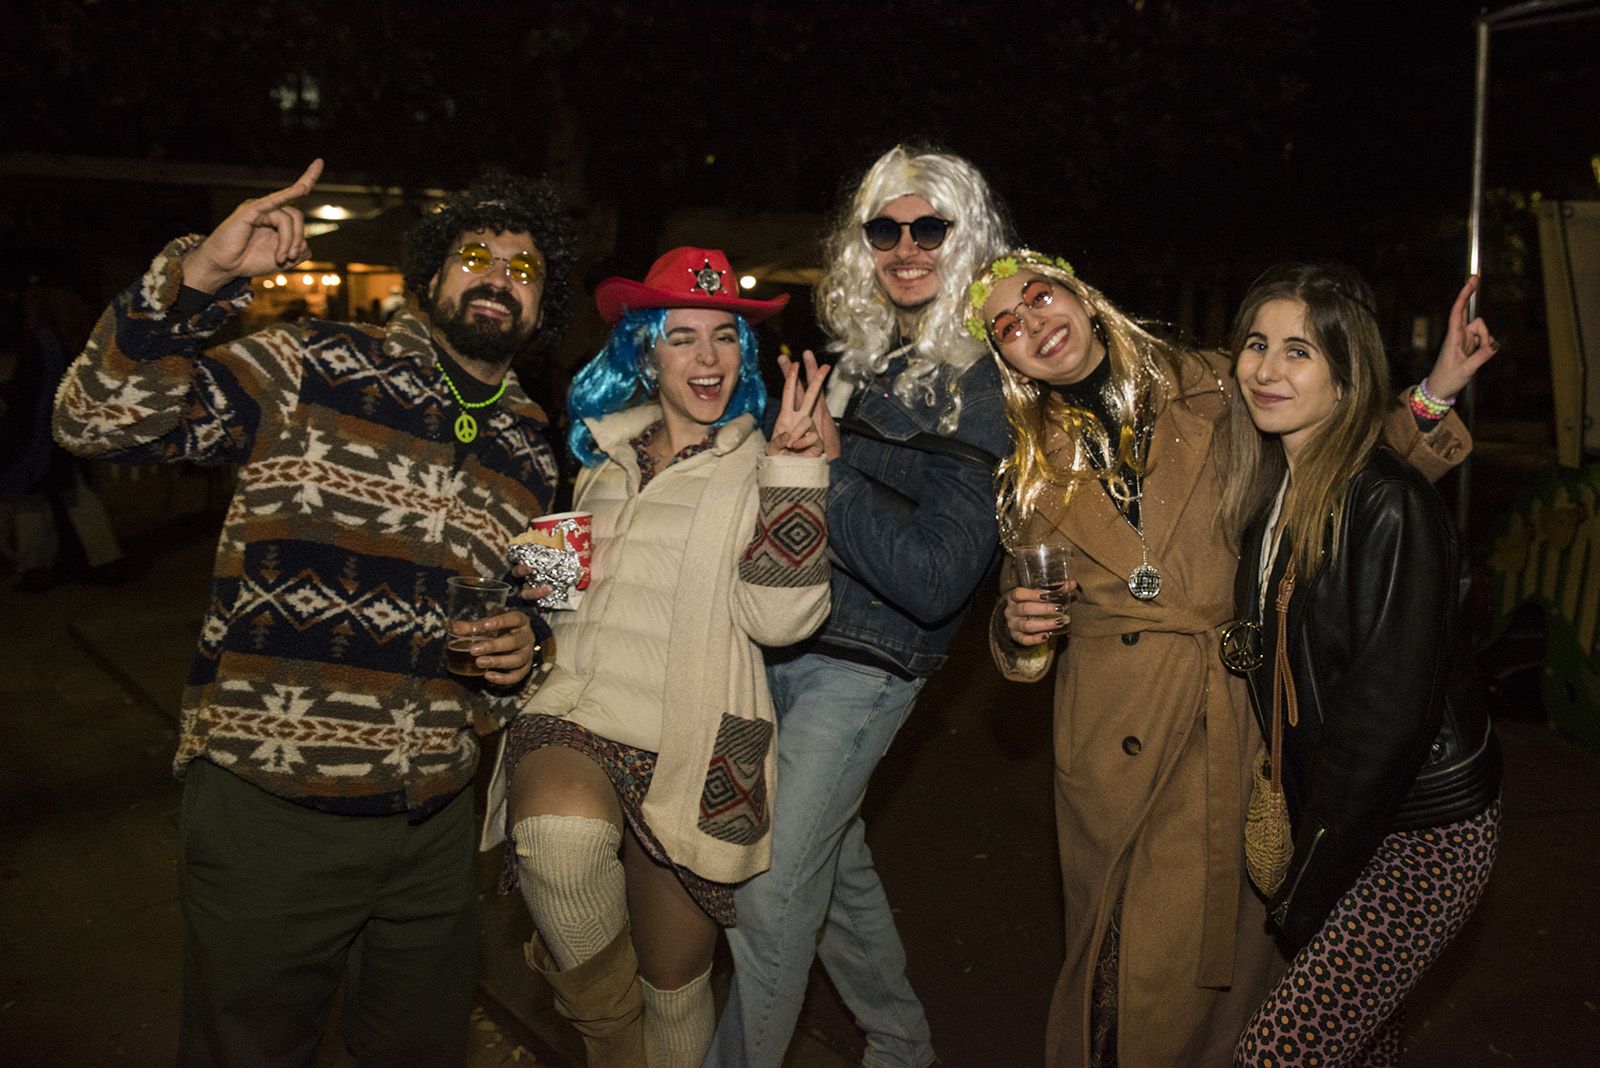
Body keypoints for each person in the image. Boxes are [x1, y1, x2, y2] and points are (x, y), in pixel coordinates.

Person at [52, 159, 576, 1066]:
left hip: (435, 833)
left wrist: (525, 648)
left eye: (524, 270)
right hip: (275, 814)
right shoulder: (311, 363)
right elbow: (97, 423)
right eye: (475, 255)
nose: (498, 276)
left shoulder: (534, 452)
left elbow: (538, 630)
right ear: (430, 278)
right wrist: (200, 280)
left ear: (541, 306)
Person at [973, 250, 1496, 1066]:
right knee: (1109, 976)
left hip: (1226, 727)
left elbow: (1342, 463)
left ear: (1080, 293)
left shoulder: (1218, 383)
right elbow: (1020, 624)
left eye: (1041, 297)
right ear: (1003, 355)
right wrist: (1016, 632)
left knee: (1206, 993)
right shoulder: (1028, 470)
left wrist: (1435, 392)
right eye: (1007, 325)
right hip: (1109, 743)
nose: (1033, 324)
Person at [478, 246, 832, 1066]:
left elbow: (782, 623)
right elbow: (561, 603)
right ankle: (610, 1043)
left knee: (675, 991)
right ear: (647, 351)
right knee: (558, 845)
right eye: (683, 337)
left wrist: (797, 474)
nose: (707, 357)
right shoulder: (600, 460)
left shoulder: (765, 461)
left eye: (724, 338)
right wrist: (534, 591)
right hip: (579, 713)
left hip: (701, 741)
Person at [707, 144, 1014, 1068]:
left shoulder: (983, 382)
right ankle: (901, 1046)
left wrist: (826, 467)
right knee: (824, 869)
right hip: (774, 643)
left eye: (930, 228)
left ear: (968, 239)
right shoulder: (864, 357)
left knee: (767, 889)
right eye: (886, 228)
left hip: (865, 667)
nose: (906, 247)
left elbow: (936, 579)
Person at [1222, 263, 1502, 1067]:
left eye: (1299, 352)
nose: (1267, 370)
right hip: (1353, 817)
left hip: (1420, 833)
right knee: (1361, 1047)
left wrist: (1310, 875)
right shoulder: (1281, 484)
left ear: (1347, 378)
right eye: (1256, 345)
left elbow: (1384, 720)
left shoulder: (1385, 502)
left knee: (1279, 1055)